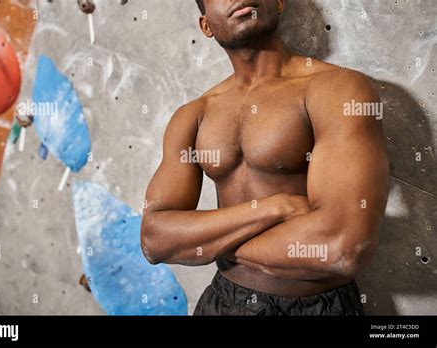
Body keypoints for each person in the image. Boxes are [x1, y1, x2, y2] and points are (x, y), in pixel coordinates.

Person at [140, 0, 389, 315]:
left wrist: (203, 242)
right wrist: (276, 208)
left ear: (280, 2)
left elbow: (343, 247)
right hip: (221, 302)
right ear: (205, 25)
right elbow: (154, 239)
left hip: (315, 308)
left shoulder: (337, 90)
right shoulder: (194, 115)